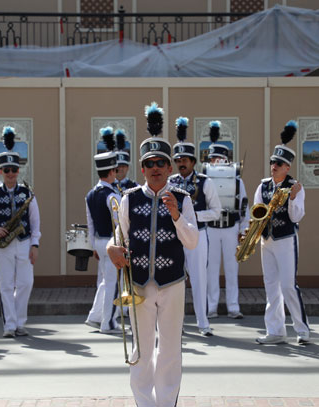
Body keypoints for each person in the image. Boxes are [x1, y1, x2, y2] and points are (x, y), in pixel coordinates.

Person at [107, 102, 198, 407]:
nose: (156, 168)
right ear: (142, 169)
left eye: (161, 162)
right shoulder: (129, 199)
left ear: (170, 168)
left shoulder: (183, 199)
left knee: (170, 350)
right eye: (150, 163)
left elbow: (193, 241)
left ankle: (166, 403)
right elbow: (118, 236)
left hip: (172, 283)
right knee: (142, 349)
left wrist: (175, 215)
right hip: (139, 284)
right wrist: (111, 247)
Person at [0, 126, 41, 338]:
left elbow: (35, 221)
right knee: (5, 285)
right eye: (7, 171)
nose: (11, 174)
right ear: (1, 172)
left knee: (26, 282)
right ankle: (9, 325)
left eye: (14, 170)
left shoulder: (27, 192)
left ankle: (20, 322)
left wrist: (35, 245)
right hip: (2, 244)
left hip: (23, 242)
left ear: (18, 171)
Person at [253, 121, 309, 344]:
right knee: (271, 286)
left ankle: (302, 329)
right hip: (266, 241)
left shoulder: (295, 186)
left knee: (287, 285)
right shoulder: (263, 186)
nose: (273, 166)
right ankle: (275, 331)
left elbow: (296, 217)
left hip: (286, 239)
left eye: (278, 164)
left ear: (287, 167)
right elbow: (256, 212)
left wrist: (293, 198)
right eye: (272, 162)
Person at [169, 116, 222, 336]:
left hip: (198, 236)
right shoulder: (170, 182)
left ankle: (203, 323)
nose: (181, 163)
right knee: (174, 282)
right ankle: (176, 323)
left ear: (193, 161)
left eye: (185, 160)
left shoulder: (205, 182)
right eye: (178, 159)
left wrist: (192, 216)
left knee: (199, 280)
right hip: (174, 238)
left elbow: (217, 212)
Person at [205, 121, 249, 320]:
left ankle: (233, 306)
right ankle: (211, 306)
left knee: (232, 269)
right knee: (211, 269)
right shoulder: (205, 179)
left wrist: (243, 228)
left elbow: (243, 205)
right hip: (212, 227)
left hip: (231, 226)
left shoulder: (237, 181)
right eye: (213, 158)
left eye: (219, 158)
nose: (216, 162)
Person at [84, 127, 124, 333]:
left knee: (104, 281)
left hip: (99, 241)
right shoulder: (112, 195)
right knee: (113, 284)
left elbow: (90, 223)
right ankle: (108, 322)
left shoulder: (91, 194)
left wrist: (93, 246)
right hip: (112, 242)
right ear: (111, 172)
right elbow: (119, 223)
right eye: (115, 171)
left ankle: (95, 315)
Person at [113, 129, 138, 193]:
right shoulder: (108, 186)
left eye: (123, 166)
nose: (121, 169)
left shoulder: (135, 187)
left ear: (127, 168)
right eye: (118, 166)